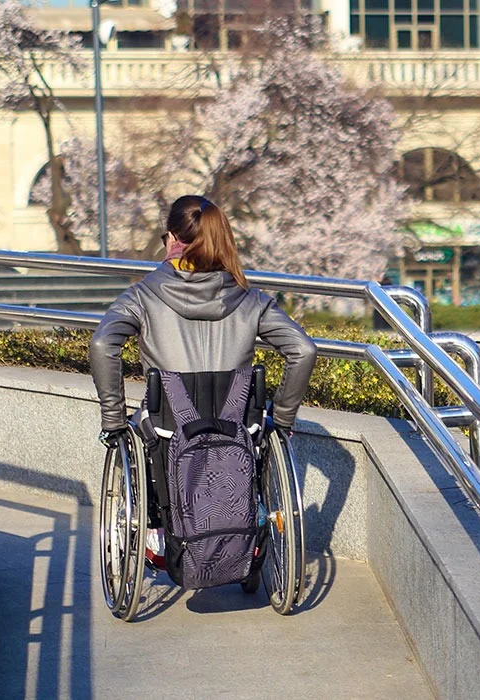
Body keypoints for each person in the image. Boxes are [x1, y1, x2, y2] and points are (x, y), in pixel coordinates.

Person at [89, 195, 318, 565]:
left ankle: (157, 530)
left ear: (170, 239)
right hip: (238, 424)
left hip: (167, 427)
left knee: (135, 427)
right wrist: (284, 419)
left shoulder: (143, 296)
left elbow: (103, 345)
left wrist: (113, 420)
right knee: (257, 433)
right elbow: (303, 350)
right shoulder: (250, 298)